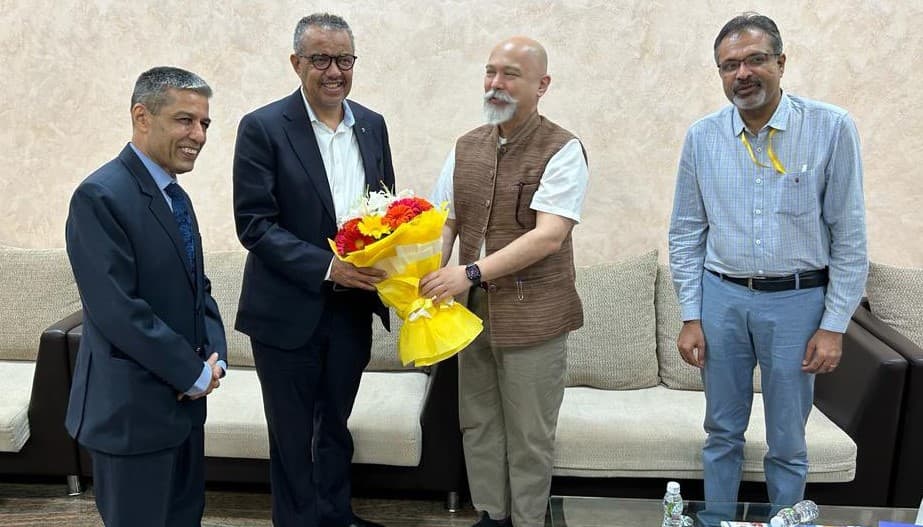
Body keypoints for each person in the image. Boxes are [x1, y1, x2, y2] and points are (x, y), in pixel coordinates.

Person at [668, 12, 867, 509]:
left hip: (798, 302)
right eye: (729, 65)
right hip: (722, 298)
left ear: (781, 62)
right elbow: (686, 232)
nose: (743, 73)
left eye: (755, 59)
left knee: (788, 439)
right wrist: (691, 315)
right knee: (721, 430)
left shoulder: (830, 128)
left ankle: (785, 520)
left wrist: (834, 325)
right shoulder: (702, 137)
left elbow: (849, 236)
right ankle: (717, 519)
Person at [420, 36, 589, 527]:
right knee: (478, 423)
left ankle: (528, 521)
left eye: (511, 74)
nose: (496, 83)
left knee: (529, 432)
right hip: (470, 315)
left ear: (542, 85)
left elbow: (548, 236)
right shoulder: (466, 145)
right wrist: (427, 280)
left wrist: (467, 273)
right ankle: (491, 516)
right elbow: (446, 222)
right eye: (490, 71)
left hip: (535, 316)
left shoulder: (563, 149)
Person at [232, 13, 393, 527]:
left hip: (352, 310)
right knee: (292, 435)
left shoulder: (372, 125)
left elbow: (385, 211)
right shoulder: (262, 128)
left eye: (344, 59)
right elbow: (254, 225)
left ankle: (336, 515)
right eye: (321, 59)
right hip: (286, 311)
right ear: (296, 63)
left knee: (335, 427)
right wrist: (328, 267)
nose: (334, 71)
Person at [64, 66, 227, 527]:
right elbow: (119, 311)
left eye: (204, 123)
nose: (199, 135)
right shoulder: (100, 196)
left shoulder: (176, 195)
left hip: (185, 411)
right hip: (132, 418)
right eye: (185, 120)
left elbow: (198, 288)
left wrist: (214, 358)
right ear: (142, 116)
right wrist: (192, 372)